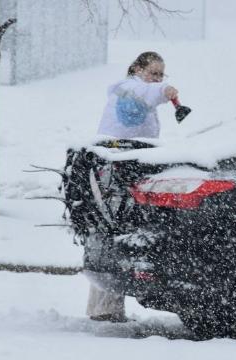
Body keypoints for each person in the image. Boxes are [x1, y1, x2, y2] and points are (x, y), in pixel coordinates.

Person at [87, 51, 179, 323]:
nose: (157, 78)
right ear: (137, 69)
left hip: (122, 170)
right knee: (113, 233)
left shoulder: (132, 92)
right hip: (114, 174)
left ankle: (106, 308)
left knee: (114, 234)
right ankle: (104, 310)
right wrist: (166, 90)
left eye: (161, 75)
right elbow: (147, 93)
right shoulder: (129, 88)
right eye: (153, 73)